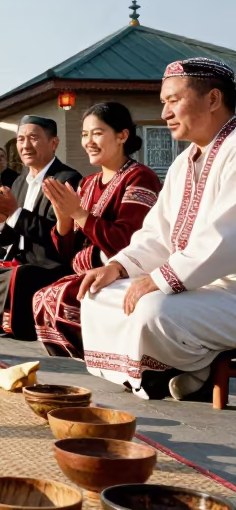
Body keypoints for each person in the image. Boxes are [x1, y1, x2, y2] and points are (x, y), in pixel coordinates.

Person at [79, 58, 236, 400]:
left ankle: (191, 364)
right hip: (195, 287)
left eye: (173, 100)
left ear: (212, 100)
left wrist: (159, 279)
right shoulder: (184, 162)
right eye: (163, 103)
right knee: (98, 295)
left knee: (154, 310)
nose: (164, 113)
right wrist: (117, 267)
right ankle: (194, 365)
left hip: (231, 290)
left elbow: (227, 239)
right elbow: (157, 235)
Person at [32, 103, 161, 358]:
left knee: (59, 298)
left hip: (124, 273)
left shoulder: (139, 177)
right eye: (84, 134)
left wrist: (80, 214)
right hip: (86, 273)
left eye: (97, 133)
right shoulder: (88, 183)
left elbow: (127, 243)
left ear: (123, 135)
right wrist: (64, 221)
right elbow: (69, 255)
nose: (88, 141)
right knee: (43, 296)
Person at [0, 116, 82, 340]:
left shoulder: (66, 179)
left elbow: (58, 234)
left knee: (22, 275)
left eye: (33, 138)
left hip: (49, 265)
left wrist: (15, 213)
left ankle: (5, 319)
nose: (25, 145)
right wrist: (0, 218)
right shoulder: (19, 182)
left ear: (54, 143)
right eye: (21, 139)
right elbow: (6, 241)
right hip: (19, 261)